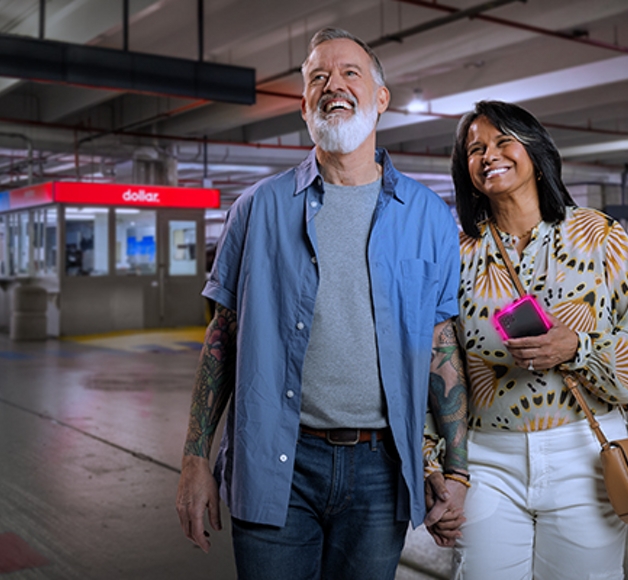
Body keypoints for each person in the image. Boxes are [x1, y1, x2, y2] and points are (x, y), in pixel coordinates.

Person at [174, 27, 465, 580]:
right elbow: (222, 339)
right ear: (305, 103)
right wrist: (194, 456)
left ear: (381, 98)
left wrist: (456, 468)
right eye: (317, 77)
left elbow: (440, 345)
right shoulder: (257, 208)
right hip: (273, 463)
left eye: (350, 72)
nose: (333, 85)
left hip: (381, 471)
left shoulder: (428, 216)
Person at [426, 100, 628, 579]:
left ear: (534, 149)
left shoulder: (598, 235)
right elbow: (436, 364)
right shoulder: (456, 253)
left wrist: (579, 348)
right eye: (474, 149)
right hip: (488, 458)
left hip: (586, 451)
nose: (488, 155)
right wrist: (436, 464)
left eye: (502, 141)